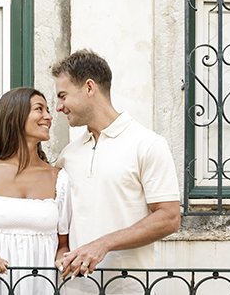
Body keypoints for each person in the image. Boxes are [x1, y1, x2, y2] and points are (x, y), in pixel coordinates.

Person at [51, 50, 181, 293]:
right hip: (73, 289)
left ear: (89, 87)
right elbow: (62, 221)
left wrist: (103, 244)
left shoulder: (148, 144)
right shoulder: (68, 155)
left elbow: (169, 217)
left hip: (127, 288)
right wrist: (61, 250)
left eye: (62, 96)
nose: (58, 107)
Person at [0, 87, 70, 295]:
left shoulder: (60, 178)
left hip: (43, 287)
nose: (48, 116)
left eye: (48, 110)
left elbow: (63, 245)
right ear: (14, 117)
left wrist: (64, 260)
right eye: (39, 109)